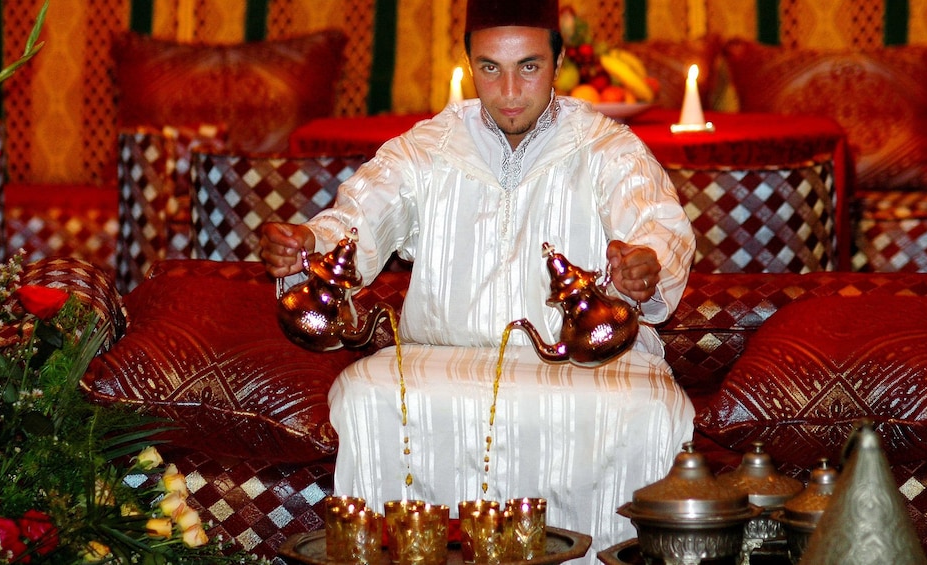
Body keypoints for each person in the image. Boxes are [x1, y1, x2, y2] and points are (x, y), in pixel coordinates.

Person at [260, 0, 696, 559]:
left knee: (650, 411)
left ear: (559, 63)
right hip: (438, 356)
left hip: (586, 363)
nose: (510, 90)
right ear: (469, 64)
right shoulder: (426, 149)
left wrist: (645, 267)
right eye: (491, 67)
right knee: (364, 396)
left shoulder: (608, 149)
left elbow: (659, 230)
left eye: (529, 67)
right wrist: (308, 247)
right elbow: (356, 222)